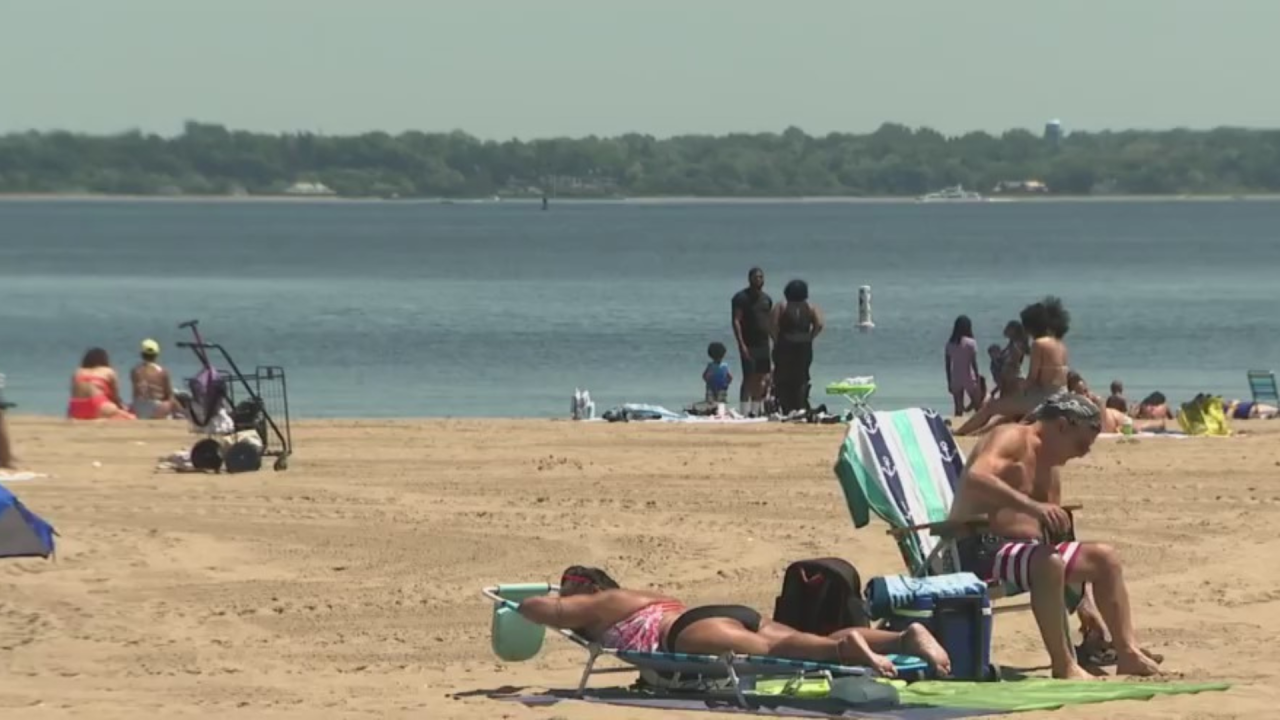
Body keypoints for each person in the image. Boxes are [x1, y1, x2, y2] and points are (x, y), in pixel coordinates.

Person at [948, 392, 1161, 679]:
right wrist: (1032, 507)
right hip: (980, 549)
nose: (1084, 453)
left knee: (1104, 557)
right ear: (1061, 425)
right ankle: (1064, 664)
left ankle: (1128, 652)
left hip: (1031, 553)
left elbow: (1057, 539)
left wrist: (1083, 604)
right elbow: (976, 477)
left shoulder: (1049, 467)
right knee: (1048, 561)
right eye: (1081, 443)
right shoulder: (1011, 436)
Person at [516, 566, 951, 677]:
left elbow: (543, 611)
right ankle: (902, 638)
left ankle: (848, 652)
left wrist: (520, 603)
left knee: (783, 652)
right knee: (802, 638)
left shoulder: (598, 603)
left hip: (683, 634)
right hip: (709, 613)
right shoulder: (639, 595)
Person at [955, 298, 1071, 436]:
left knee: (992, 407)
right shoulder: (1060, 344)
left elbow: (1032, 379)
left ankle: (960, 433)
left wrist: (1018, 385)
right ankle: (976, 434)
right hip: (1062, 395)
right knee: (1009, 413)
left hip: (1045, 398)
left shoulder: (1039, 344)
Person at [770, 279, 824, 414]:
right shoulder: (810, 306)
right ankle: (801, 405)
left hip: (785, 344)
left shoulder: (782, 305)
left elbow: (772, 325)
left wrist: (777, 340)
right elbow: (819, 324)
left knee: (783, 376)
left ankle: (786, 406)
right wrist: (810, 337)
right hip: (804, 345)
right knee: (802, 376)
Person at [732, 268, 774, 417]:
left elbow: (769, 322)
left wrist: (773, 340)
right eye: (756, 277)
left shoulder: (766, 299)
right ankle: (744, 410)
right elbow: (736, 320)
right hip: (748, 343)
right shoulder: (741, 298)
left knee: (761, 377)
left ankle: (755, 411)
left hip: (763, 343)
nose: (759, 280)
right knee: (748, 377)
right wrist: (741, 343)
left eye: (761, 277)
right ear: (749, 279)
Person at [68, 348, 135, 420]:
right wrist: (122, 407)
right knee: (130, 416)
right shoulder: (108, 371)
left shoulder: (77, 372)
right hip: (97, 404)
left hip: (75, 407)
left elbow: (73, 392)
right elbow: (115, 397)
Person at [130, 339, 180, 419]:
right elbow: (169, 394)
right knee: (172, 402)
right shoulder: (163, 371)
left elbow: (135, 393)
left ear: (142, 354)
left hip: (139, 408)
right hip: (157, 409)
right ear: (157, 355)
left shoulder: (135, 370)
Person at [944, 316, 983, 417]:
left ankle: (957, 427)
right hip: (969, 376)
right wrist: (978, 379)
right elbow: (974, 362)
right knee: (978, 406)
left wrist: (949, 381)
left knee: (958, 408)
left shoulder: (950, 344)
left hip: (955, 376)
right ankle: (979, 426)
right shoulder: (971, 343)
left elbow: (947, 365)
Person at [995, 321, 1030, 398]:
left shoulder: (1016, 345)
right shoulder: (1013, 343)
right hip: (1010, 376)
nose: (1005, 330)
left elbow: (1014, 361)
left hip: (1012, 376)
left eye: (1008, 328)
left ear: (1013, 331)